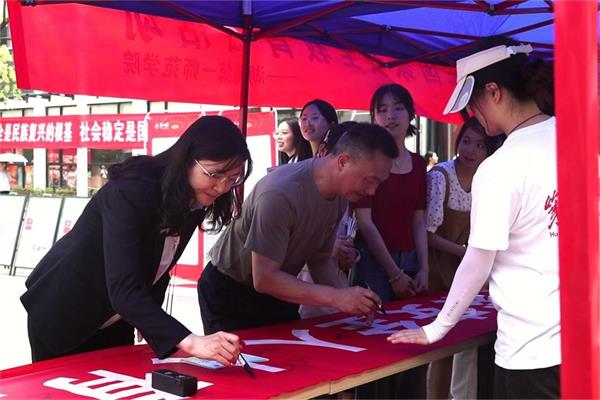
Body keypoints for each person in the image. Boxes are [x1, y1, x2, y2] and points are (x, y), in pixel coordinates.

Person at [388, 36, 559, 399]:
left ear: (494, 92)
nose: (472, 116)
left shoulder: (500, 167)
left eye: (473, 104)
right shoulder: (576, 139)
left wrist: (437, 327)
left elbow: (478, 259)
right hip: (582, 338)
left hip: (529, 347)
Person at [21, 116, 251, 365]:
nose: (222, 187)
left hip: (116, 317)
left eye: (233, 178)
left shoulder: (195, 197)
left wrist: (152, 319)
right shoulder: (131, 190)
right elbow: (124, 288)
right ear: (187, 159)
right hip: (65, 307)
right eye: (215, 174)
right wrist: (191, 341)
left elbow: (160, 261)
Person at [197, 123, 398, 334]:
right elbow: (264, 278)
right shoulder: (280, 193)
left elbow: (320, 260)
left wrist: (352, 301)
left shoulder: (340, 195)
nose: (372, 191)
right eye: (369, 180)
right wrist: (337, 298)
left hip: (281, 290)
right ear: (343, 161)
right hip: (231, 291)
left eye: (378, 183)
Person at [350, 83, 429, 399]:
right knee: (373, 346)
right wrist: (394, 274)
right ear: (373, 117)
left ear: (410, 115)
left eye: (398, 108)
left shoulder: (419, 164)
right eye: (381, 110)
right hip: (372, 263)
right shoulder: (366, 163)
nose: (390, 116)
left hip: (409, 259)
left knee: (412, 344)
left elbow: (419, 220)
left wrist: (424, 268)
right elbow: (365, 223)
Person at [426, 117, 504, 399]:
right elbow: (427, 234)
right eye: (466, 141)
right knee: (441, 347)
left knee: (469, 342)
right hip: (440, 270)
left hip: (471, 269)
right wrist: (466, 252)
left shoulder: (491, 179)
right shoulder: (440, 176)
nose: (470, 150)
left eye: (479, 145)